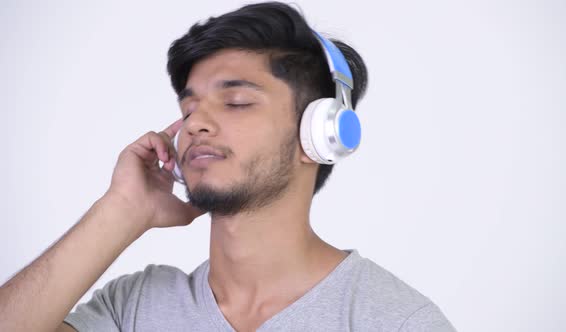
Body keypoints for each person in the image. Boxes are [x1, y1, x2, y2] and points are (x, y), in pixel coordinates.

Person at [0, 2, 456, 331]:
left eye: (236, 102)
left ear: (319, 134)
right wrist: (120, 211)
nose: (196, 122)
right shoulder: (135, 307)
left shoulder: (395, 321)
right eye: (189, 106)